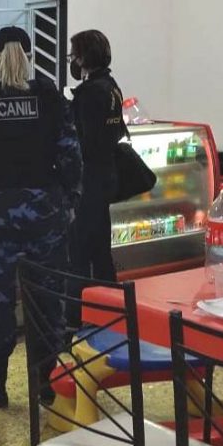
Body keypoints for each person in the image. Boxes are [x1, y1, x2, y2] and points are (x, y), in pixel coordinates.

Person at [0, 26, 82, 407]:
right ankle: (46, 382)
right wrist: (68, 199)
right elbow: (71, 154)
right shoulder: (50, 96)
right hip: (44, 211)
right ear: (30, 56)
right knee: (46, 297)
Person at [66, 29, 125, 329]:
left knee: (78, 251)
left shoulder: (88, 94)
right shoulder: (112, 88)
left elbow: (82, 143)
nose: (72, 60)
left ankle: (74, 317)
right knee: (101, 250)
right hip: (106, 177)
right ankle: (111, 312)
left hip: (87, 181)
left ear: (84, 57)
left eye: (74, 54)